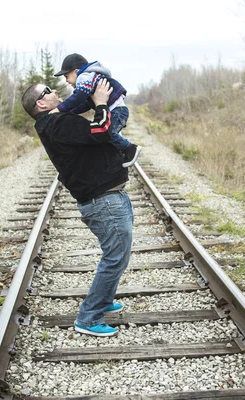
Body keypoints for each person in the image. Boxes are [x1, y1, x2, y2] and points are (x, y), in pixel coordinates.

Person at [21, 79, 133, 337]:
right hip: (103, 200)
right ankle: (89, 317)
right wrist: (102, 102)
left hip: (107, 195)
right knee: (115, 257)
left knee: (118, 254)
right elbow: (102, 131)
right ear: (41, 102)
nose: (56, 92)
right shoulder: (57, 122)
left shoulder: (55, 121)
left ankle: (103, 301)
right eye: (49, 91)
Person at [50, 53, 142, 168]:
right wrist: (68, 112)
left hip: (117, 111)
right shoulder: (89, 81)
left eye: (66, 76)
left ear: (76, 71)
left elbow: (79, 96)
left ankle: (130, 149)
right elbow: (85, 104)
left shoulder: (84, 77)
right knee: (104, 136)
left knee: (107, 133)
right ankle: (118, 157)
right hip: (116, 110)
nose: (66, 81)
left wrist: (60, 108)